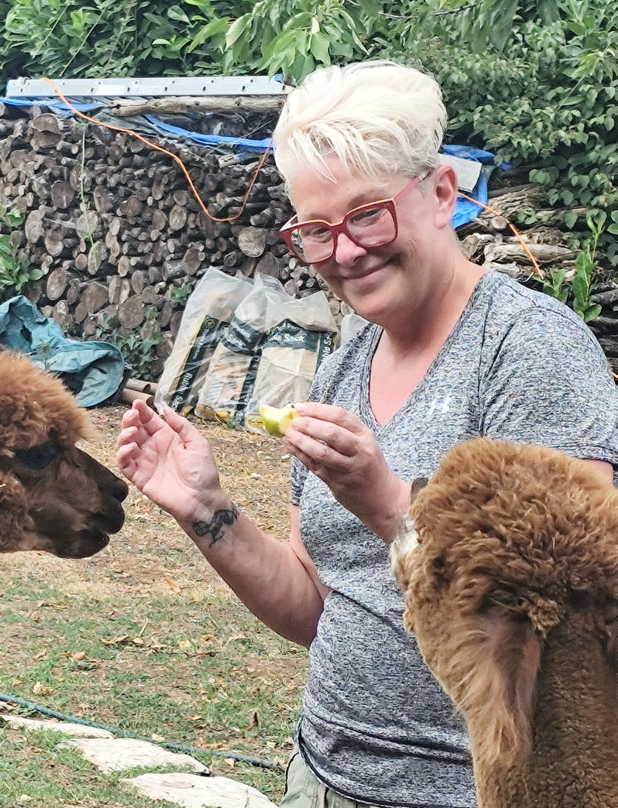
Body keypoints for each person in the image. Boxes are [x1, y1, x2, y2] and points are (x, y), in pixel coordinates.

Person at [116, 60, 618, 808]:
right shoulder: (347, 363)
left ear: (442, 193)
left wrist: (387, 503)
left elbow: (568, 622)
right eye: (317, 231)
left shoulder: (528, 349)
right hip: (321, 777)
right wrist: (206, 509)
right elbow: (316, 602)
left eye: (367, 215)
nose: (346, 252)